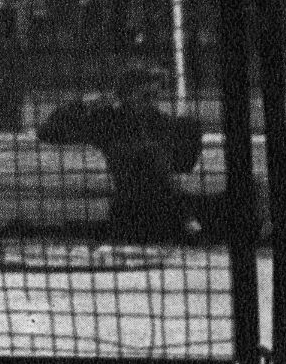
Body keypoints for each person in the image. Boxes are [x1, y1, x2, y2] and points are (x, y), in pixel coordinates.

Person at [38, 64, 209, 244]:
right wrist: (83, 104)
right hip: (130, 209)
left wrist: (188, 134)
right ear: (126, 95)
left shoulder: (159, 121)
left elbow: (183, 165)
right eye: (146, 96)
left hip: (165, 204)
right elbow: (48, 132)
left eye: (155, 97)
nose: (151, 103)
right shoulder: (109, 119)